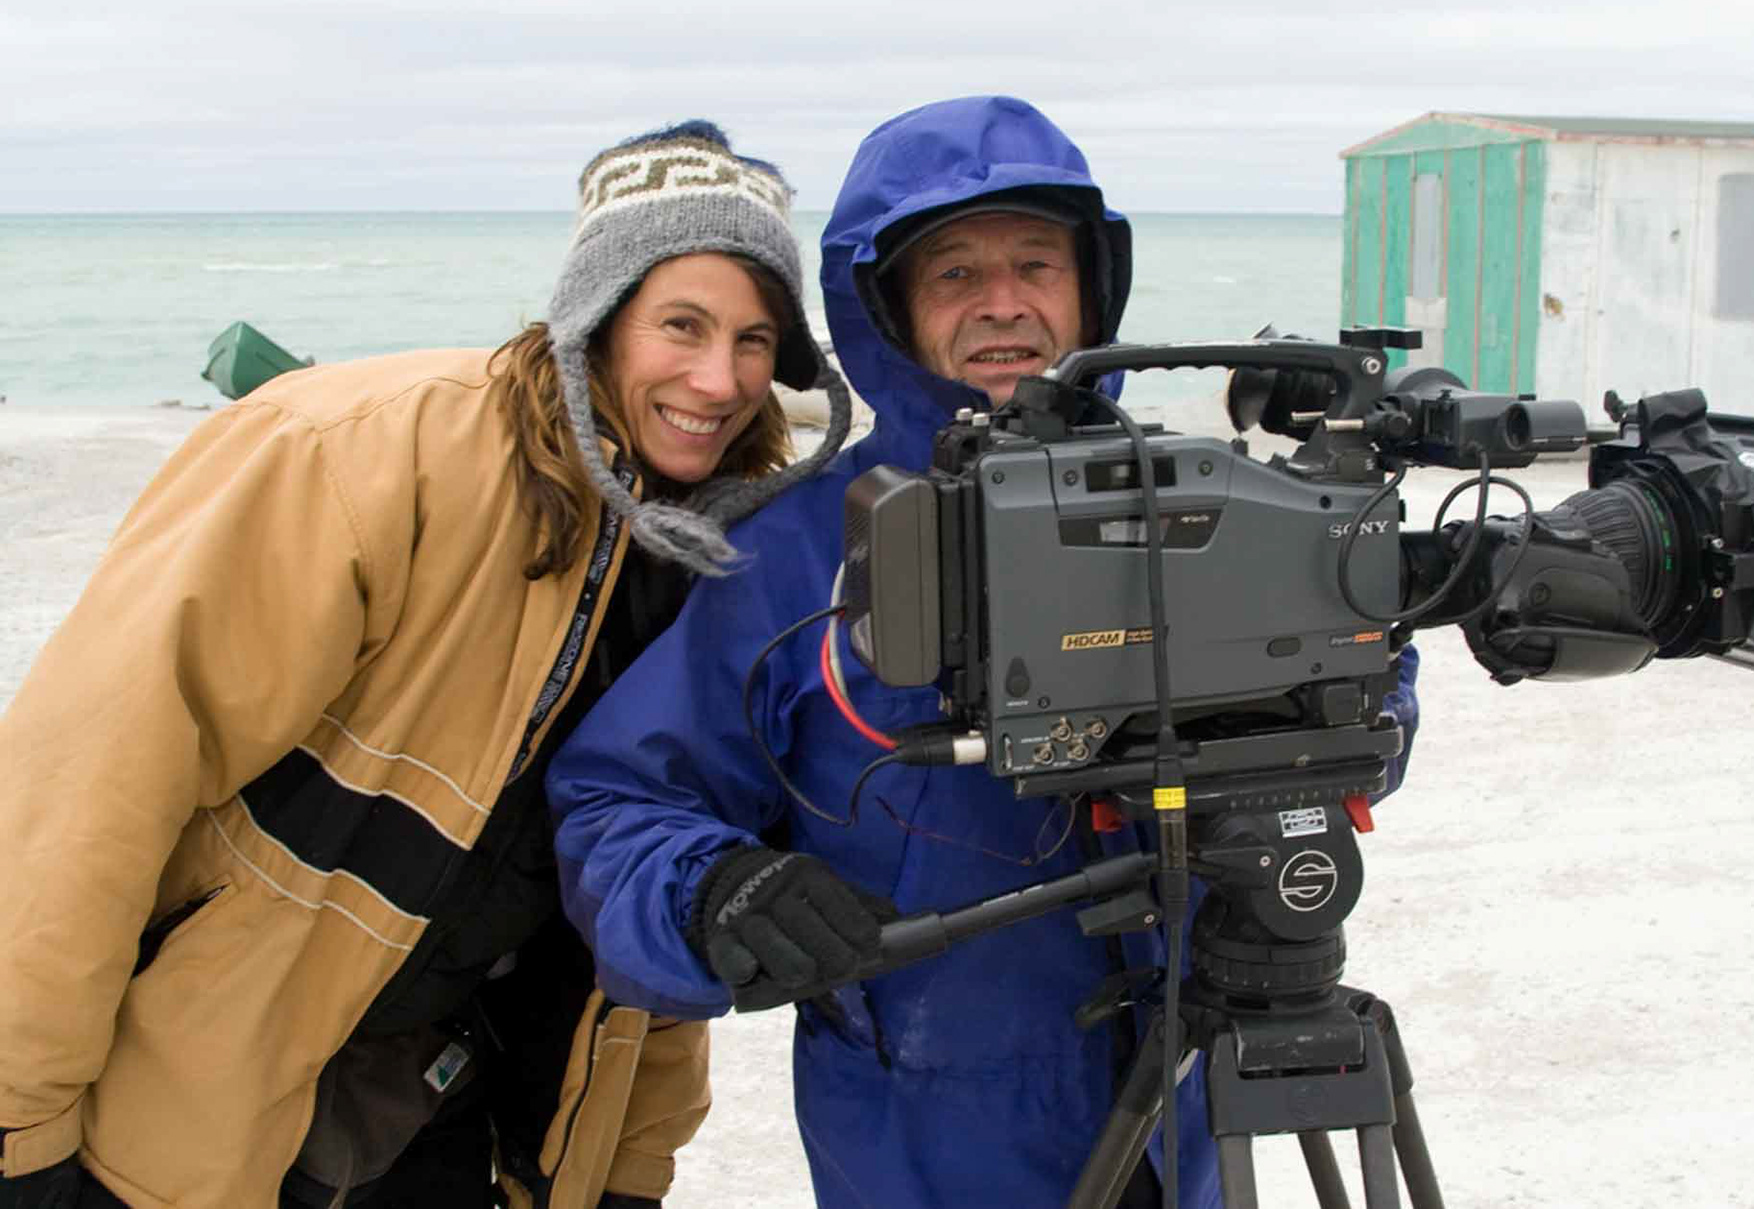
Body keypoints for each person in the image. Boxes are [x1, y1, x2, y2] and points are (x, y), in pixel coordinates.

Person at [547, 96, 1420, 1207]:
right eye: (954, 273)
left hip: (1198, 1094)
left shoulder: (1204, 501)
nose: (1002, 302)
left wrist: (1351, 692)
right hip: (924, 1126)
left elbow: (1366, 738)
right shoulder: (792, 552)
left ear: (1090, 287)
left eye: (1034, 264)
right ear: (890, 309)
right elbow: (615, 798)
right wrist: (716, 888)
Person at [0, 121, 852, 1209]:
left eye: (753, 339)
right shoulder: (353, 455)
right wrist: (20, 1122)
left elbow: (650, 865)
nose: (719, 377)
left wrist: (625, 1163)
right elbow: (85, 787)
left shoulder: (709, 551)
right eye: (680, 324)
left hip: (449, 1110)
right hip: (200, 1098)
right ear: (596, 315)